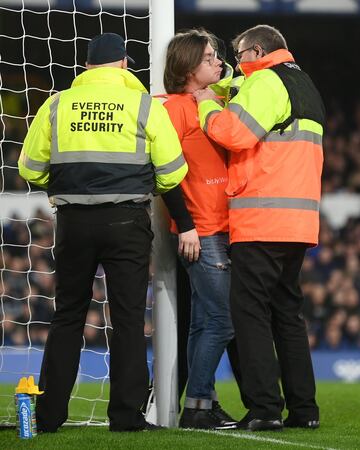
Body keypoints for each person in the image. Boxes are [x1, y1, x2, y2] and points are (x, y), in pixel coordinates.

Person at [18, 32, 187, 432]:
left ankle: (49, 415)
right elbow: (173, 172)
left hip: (74, 222)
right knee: (128, 318)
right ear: (125, 64)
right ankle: (127, 417)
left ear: (88, 67)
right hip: (127, 221)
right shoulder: (143, 105)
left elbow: (28, 168)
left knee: (68, 316)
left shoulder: (58, 104)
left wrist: (66, 185)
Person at [194, 24, 325, 431]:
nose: (235, 64)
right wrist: (226, 91)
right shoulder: (302, 83)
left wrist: (205, 105)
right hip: (298, 221)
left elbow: (235, 133)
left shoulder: (266, 82)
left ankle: (265, 407)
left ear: (256, 51)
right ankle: (304, 410)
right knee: (287, 314)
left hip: (262, 217)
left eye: (238, 56)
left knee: (248, 314)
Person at [161, 29, 237, 430]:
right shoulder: (173, 108)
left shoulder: (214, 99)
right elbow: (165, 173)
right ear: (189, 66)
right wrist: (185, 225)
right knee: (223, 320)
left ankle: (201, 404)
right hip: (202, 229)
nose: (218, 62)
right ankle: (196, 405)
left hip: (223, 226)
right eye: (209, 57)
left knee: (204, 322)